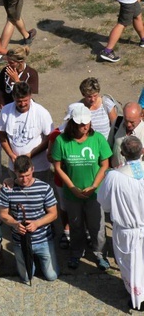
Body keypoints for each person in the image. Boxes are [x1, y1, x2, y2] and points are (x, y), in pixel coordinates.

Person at [51, 104, 112, 271]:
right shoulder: (61, 141)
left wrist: (94, 186)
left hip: (95, 193)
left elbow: (105, 164)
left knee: (97, 225)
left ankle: (100, 254)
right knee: (75, 225)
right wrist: (71, 187)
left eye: (87, 123)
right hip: (72, 194)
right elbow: (57, 167)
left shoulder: (98, 139)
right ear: (73, 123)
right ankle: (77, 252)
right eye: (81, 124)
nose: (85, 127)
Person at [98, 135, 144, 311]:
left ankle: (137, 297)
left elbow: (104, 203)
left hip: (127, 230)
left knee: (130, 264)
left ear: (122, 153)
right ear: (141, 152)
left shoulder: (114, 177)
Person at [0, 155, 59, 284]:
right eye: (21, 176)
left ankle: (37, 260)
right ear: (15, 172)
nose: (24, 180)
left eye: (27, 175)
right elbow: (3, 214)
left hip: (43, 239)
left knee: (52, 276)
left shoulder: (45, 188)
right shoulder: (7, 190)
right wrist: (15, 224)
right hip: (21, 240)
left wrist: (37, 223)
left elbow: (53, 214)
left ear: (32, 169)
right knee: (26, 278)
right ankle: (30, 262)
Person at [0, 81, 54, 183]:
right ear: (13, 97)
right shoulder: (5, 111)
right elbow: (1, 135)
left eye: (25, 100)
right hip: (15, 166)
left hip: (38, 167)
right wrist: (11, 155)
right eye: (19, 101)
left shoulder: (41, 113)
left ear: (30, 96)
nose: (23, 104)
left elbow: (50, 138)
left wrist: (30, 155)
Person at [110, 102, 144, 168]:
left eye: (132, 122)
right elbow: (109, 145)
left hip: (135, 175)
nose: (128, 124)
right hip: (115, 172)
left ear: (141, 116)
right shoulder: (118, 122)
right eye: (125, 120)